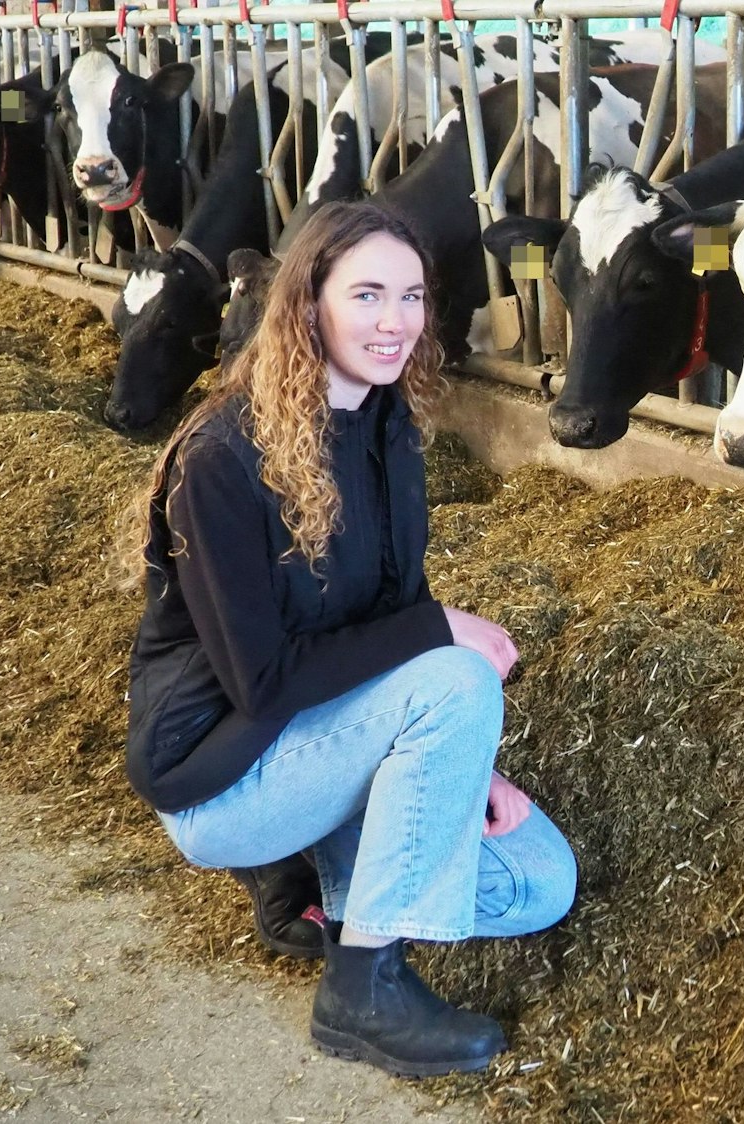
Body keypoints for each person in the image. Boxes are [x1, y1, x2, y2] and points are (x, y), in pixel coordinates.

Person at [120, 201, 576, 1078]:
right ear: (309, 302)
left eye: (411, 296)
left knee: (537, 885)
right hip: (222, 774)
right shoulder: (221, 456)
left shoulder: (389, 428)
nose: (395, 321)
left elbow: (393, 614)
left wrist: (464, 763)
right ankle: (362, 992)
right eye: (366, 293)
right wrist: (442, 647)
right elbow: (264, 681)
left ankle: (326, 894)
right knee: (455, 674)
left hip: (326, 743)